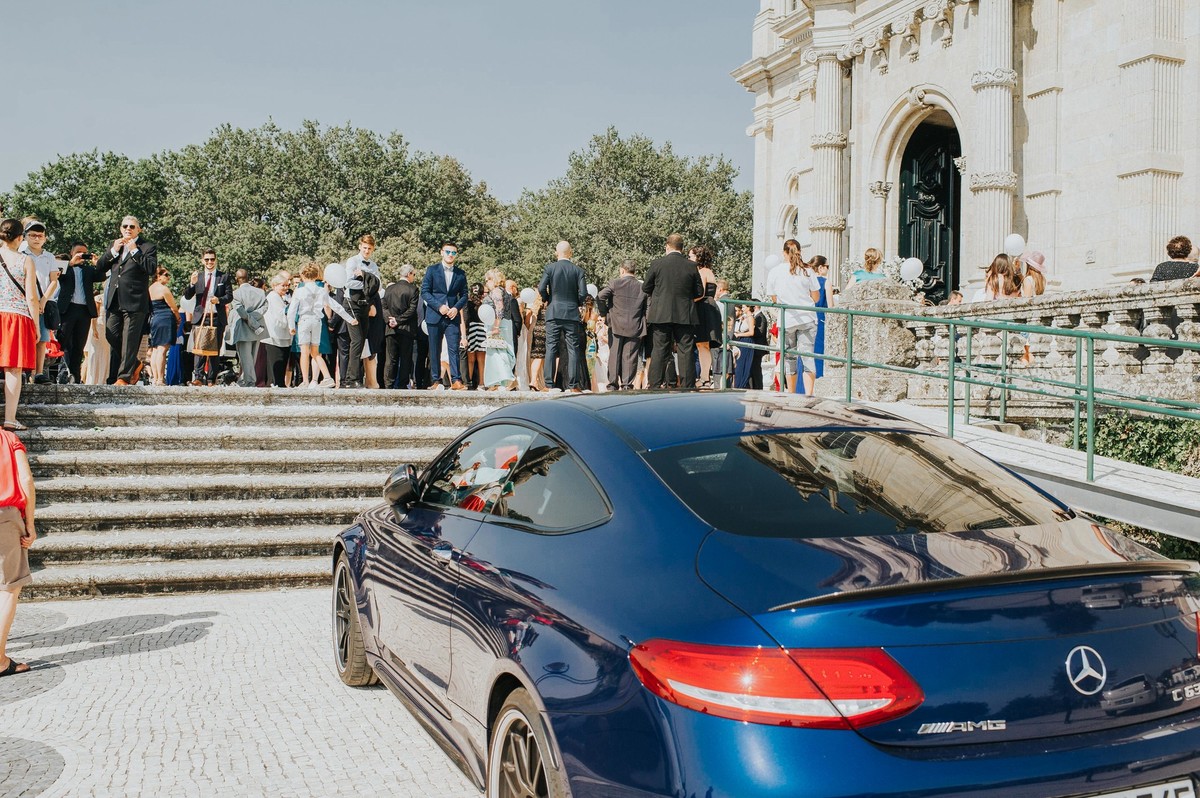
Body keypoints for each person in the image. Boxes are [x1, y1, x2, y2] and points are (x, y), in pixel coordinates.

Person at [94, 216, 156, 385]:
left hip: (135, 300)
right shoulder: (115, 245)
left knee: (129, 339)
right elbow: (100, 267)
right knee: (111, 334)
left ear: (139, 229)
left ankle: (123, 377)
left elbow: (151, 269)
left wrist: (135, 250)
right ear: (121, 228)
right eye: (125, 226)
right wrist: (113, 251)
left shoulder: (147, 247)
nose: (128, 229)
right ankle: (134, 364)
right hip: (114, 298)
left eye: (132, 226)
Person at [643, 234, 703, 389]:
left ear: (667, 246)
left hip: (661, 313)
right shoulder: (691, 266)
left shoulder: (657, 264)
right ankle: (687, 386)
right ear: (682, 248)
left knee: (659, 350)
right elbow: (699, 292)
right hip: (685, 314)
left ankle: (655, 386)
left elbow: (646, 287)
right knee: (686, 350)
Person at [0, 425, 36, 677]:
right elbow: (26, 480)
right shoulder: (8, 438)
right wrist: (30, 524)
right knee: (9, 588)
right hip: (5, 516)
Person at [767, 239, 821, 394]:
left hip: (787, 319)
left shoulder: (775, 272)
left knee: (789, 358)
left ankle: (791, 393)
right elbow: (816, 297)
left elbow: (774, 298)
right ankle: (809, 395)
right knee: (808, 357)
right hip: (807, 318)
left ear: (783, 252)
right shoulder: (807, 271)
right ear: (800, 251)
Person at [0, 220, 40, 431]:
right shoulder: (26, 260)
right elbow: (32, 297)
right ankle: (9, 418)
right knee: (13, 369)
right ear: (19, 238)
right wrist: (36, 325)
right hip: (16, 316)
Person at [289, 263, 356, 388]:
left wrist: (291, 326)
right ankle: (327, 377)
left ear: (302, 275)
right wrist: (350, 319)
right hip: (317, 321)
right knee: (316, 352)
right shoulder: (321, 290)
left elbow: (292, 310)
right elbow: (335, 306)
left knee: (304, 352)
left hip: (304, 320)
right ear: (317, 275)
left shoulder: (299, 290)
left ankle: (305, 381)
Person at [538, 241, 587, 392]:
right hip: (571, 313)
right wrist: (576, 302)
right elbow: (583, 293)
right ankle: (573, 385)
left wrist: (548, 299)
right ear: (570, 253)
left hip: (553, 311)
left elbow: (541, 287)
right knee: (573, 349)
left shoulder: (550, 268)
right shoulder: (578, 271)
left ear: (556, 252)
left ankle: (548, 384)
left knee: (551, 347)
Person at [420, 242, 468, 390]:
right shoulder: (432, 270)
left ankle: (456, 380)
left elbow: (464, 295)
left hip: (452, 317)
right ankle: (436, 380)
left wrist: (456, 308)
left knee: (454, 348)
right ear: (441, 252)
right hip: (435, 315)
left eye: (453, 253)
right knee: (435, 349)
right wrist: (439, 306)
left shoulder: (460, 273)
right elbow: (425, 292)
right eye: (448, 252)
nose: (450, 255)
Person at [17, 220, 59, 384]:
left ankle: (38, 372)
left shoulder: (49, 256)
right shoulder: (21, 254)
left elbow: (53, 280)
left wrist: (43, 300)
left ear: (45, 238)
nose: (36, 238)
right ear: (25, 237)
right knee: (24, 338)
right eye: (32, 235)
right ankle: (22, 370)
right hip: (24, 301)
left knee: (42, 339)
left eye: (40, 235)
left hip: (44, 302)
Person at [596, 259, 647, 391]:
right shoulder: (642, 287)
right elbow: (648, 306)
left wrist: (604, 314)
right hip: (635, 325)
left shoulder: (615, 283)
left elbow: (600, 296)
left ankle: (613, 384)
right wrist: (644, 320)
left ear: (622, 270)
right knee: (630, 357)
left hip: (615, 324)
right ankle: (627, 385)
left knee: (614, 355)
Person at [183, 249, 232, 386]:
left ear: (216, 260)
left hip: (216, 316)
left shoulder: (223, 277)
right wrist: (192, 284)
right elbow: (187, 296)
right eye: (207, 259)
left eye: (212, 259)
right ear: (202, 261)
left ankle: (211, 379)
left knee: (214, 349)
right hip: (200, 316)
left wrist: (219, 300)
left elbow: (229, 296)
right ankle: (198, 377)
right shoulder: (198, 276)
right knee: (199, 348)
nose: (209, 262)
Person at [342, 236, 383, 389]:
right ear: (360, 246)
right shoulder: (352, 261)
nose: (366, 251)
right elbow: (348, 282)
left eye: (369, 248)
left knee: (362, 341)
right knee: (357, 340)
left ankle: (351, 378)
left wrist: (364, 275)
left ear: (373, 249)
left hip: (365, 305)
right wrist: (368, 282)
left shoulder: (373, 265)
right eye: (364, 247)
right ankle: (352, 379)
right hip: (351, 304)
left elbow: (378, 286)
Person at [55, 243, 98, 384]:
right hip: (68, 309)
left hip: (84, 311)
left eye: (84, 252)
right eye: (78, 252)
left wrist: (97, 264)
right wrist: (71, 263)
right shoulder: (65, 267)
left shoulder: (88, 270)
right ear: (71, 252)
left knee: (79, 346)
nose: (81, 255)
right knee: (62, 342)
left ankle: (75, 377)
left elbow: (101, 276)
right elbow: (56, 275)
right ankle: (57, 374)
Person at [226, 269, 268, 387]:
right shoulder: (260, 292)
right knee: (252, 357)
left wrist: (250, 320)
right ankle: (243, 380)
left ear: (237, 279)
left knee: (246, 358)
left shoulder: (235, 294)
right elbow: (265, 307)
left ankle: (250, 381)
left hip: (243, 327)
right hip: (258, 327)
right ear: (248, 278)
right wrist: (254, 321)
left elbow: (241, 312)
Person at [688, 245, 722, 388]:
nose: (689, 258)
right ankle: (704, 377)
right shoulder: (707, 270)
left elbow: (699, 292)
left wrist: (686, 301)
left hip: (704, 308)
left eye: (691, 256)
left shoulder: (703, 271)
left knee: (703, 344)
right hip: (707, 307)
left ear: (698, 257)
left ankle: (704, 378)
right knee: (702, 344)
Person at [383, 265, 419, 389]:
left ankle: (388, 384)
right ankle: (402, 385)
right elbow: (412, 310)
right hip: (406, 329)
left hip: (390, 329)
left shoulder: (389, 289)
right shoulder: (413, 289)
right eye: (414, 274)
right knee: (405, 358)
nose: (414, 277)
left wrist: (390, 320)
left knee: (390, 358)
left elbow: (384, 307)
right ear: (409, 274)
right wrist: (398, 320)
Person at [147, 267, 180, 386]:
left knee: (155, 349)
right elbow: (174, 307)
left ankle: (155, 378)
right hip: (165, 318)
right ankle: (160, 378)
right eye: (166, 275)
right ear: (158, 276)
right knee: (162, 349)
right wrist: (178, 318)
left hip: (154, 319)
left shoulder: (149, 289)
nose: (168, 277)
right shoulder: (163, 289)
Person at [262, 274, 292, 387]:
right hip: (275, 334)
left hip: (280, 334)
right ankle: (276, 384)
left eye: (287, 285)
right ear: (275, 285)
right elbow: (281, 316)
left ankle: (279, 383)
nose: (286, 288)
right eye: (283, 285)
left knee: (282, 361)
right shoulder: (273, 297)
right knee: (277, 361)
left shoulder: (280, 297)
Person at [809, 256, 830, 391]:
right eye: (827, 267)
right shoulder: (825, 282)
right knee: (819, 352)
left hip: (808, 318)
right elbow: (831, 307)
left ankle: (804, 387)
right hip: (821, 319)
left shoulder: (808, 281)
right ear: (821, 267)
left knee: (807, 352)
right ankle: (818, 384)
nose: (828, 269)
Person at [465, 283, 487, 389]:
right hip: (482, 330)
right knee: (481, 360)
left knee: (470, 359)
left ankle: (468, 382)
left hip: (471, 330)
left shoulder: (468, 303)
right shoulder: (484, 304)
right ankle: (481, 383)